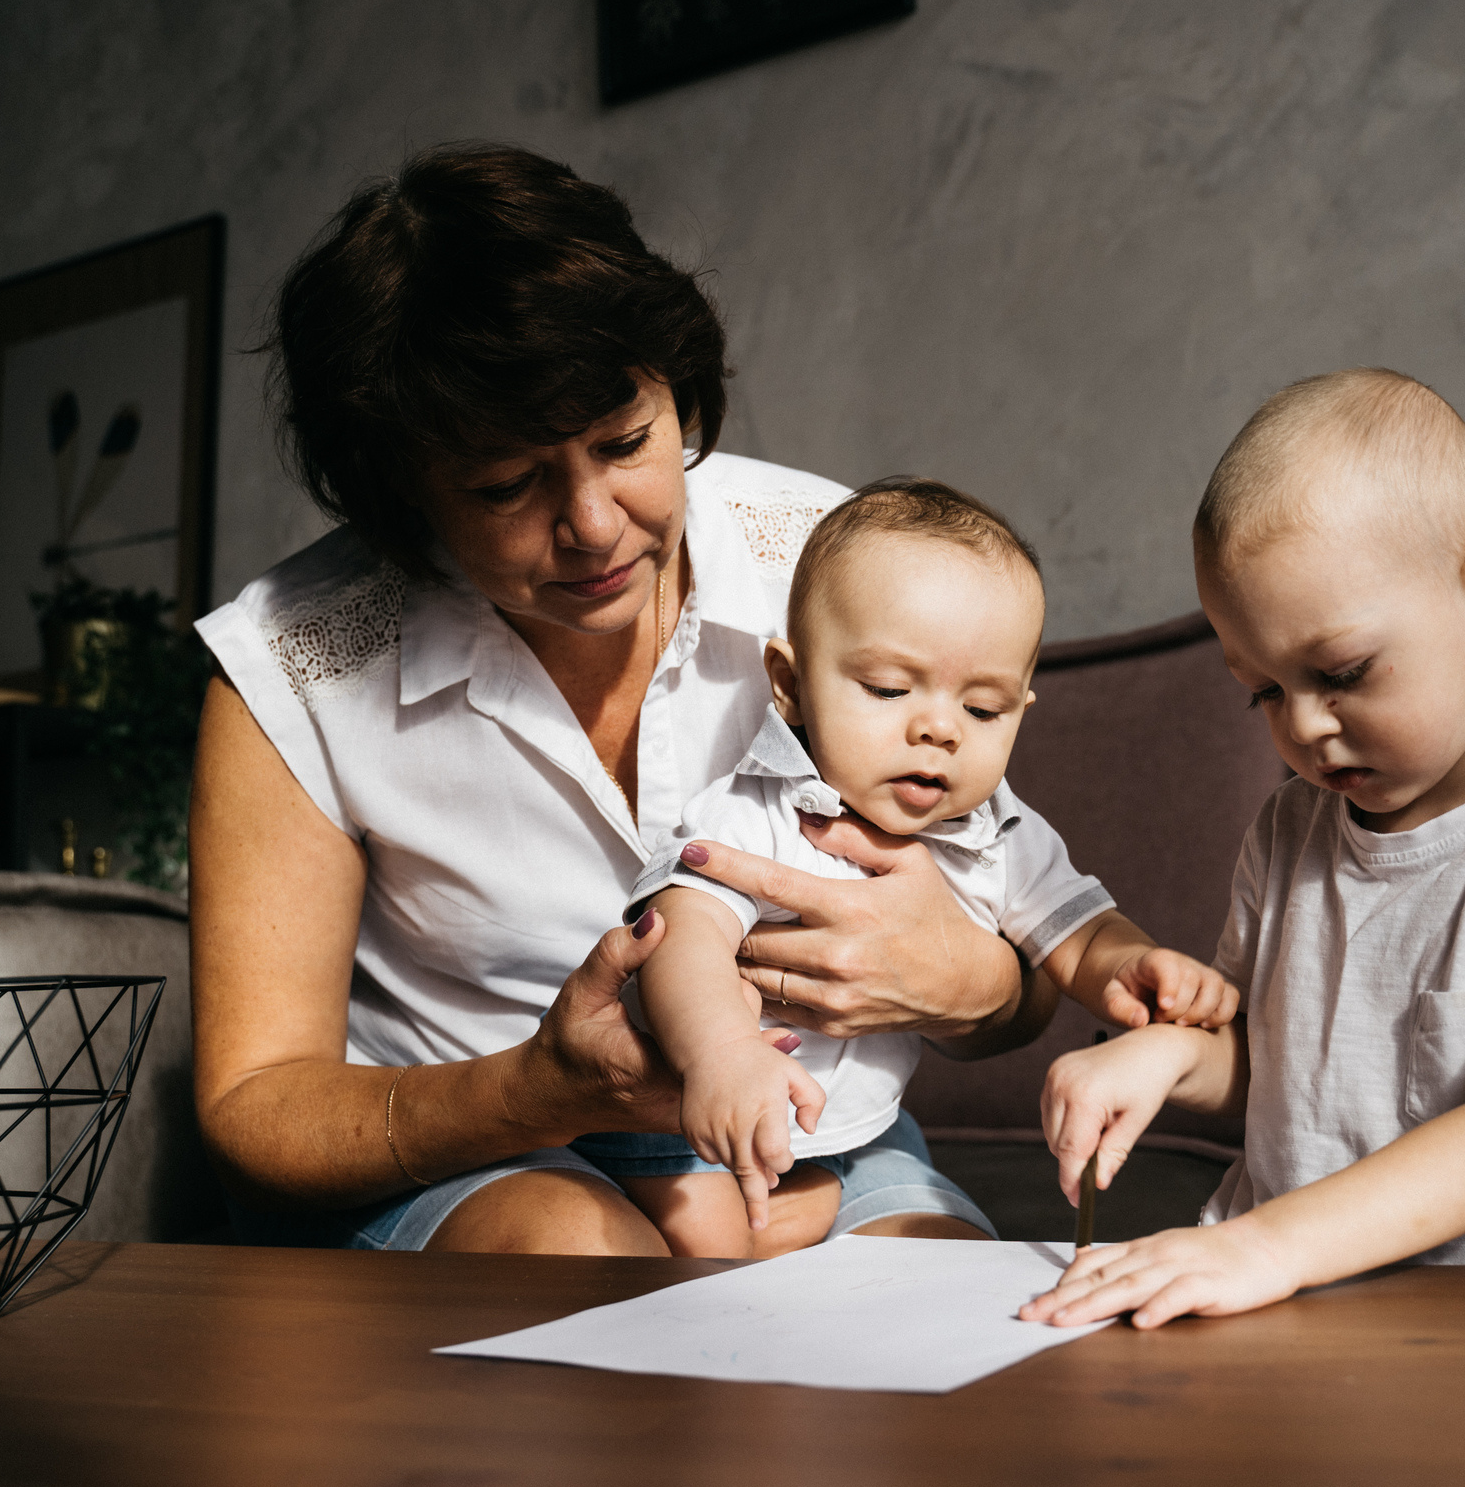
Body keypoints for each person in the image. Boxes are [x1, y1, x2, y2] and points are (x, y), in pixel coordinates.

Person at [191, 144, 1061, 1257]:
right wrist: (538, 1093)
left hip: (814, 1129)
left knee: (941, 1317)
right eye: (507, 484)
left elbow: (1021, 940)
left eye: (627, 442)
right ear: (396, 491)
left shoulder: (832, 563)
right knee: (579, 1261)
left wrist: (973, 982)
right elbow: (255, 1105)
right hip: (487, 1147)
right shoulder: (295, 662)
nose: (595, 524)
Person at [1021, 368, 1465, 1329]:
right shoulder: (1289, 828)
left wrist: (1264, 1245)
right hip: (1289, 1305)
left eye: (1340, 672)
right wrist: (1167, 1058)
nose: (1302, 727)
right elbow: (1269, 1070)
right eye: (1262, 691)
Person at [602, 478, 1240, 1256]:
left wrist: (1137, 967)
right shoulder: (763, 807)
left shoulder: (996, 830)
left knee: (949, 1248)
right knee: (705, 1242)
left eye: (982, 709)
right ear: (792, 684)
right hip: (694, 1129)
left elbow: (1076, 929)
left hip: (863, 1138)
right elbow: (683, 935)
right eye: (889, 688)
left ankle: (833, 1232)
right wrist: (721, 1053)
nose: (938, 727)